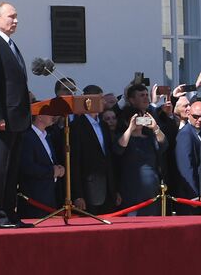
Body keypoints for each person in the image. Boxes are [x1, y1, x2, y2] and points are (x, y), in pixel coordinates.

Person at [0, 2, 32, 228]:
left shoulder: (10, 44)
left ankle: (10, 215)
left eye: (16, 16)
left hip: (16, 120)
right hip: (1, 121)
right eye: (11, 16)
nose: (16, 20)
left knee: (12, 172)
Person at [115, 84, 167, 215]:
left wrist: (155, 127)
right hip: (131, 188)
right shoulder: (123, 137)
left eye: (142, 117)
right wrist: (130, 128)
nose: (140, 121)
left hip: (152, 188)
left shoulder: (149, 137)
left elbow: (164, 144)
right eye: (137, 118)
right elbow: (119, 148)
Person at [69, 84, 117, 215]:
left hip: (107, 188)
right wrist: (78, 194)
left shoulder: (103, 125)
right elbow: (74, 161)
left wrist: (114, 189)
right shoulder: (76, 127)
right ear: (89, 101)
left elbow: (108, 157)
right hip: (88, 189)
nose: (103, 102)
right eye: (100, 98)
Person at [19, 110, 63, 214]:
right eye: (48, 113)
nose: (52, 115)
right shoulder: (27, 137)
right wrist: (51, 171)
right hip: (35, 196)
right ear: (39, 117)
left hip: (50, 193)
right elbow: (27, 166)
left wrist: (59, 169)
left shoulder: (46, 136)